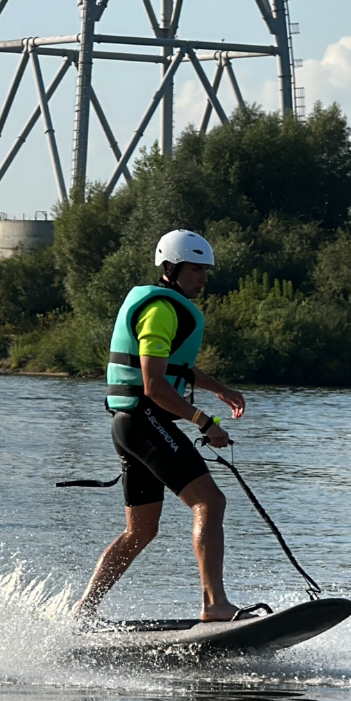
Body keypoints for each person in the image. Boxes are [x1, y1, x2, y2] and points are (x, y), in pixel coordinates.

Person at [75, 229, 248, 622]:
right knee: (210, 502)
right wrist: (205, 422)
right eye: (195, 269)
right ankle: (215, 605)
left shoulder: (166, 307)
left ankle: (83, 612)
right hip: (143, 421)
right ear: (171, 268)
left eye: (205, 270)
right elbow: (153, 384)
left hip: (130, 425)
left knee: (140, 530)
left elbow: (173, 367)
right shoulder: (161, 310)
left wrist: (219, 388)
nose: (203, 278)